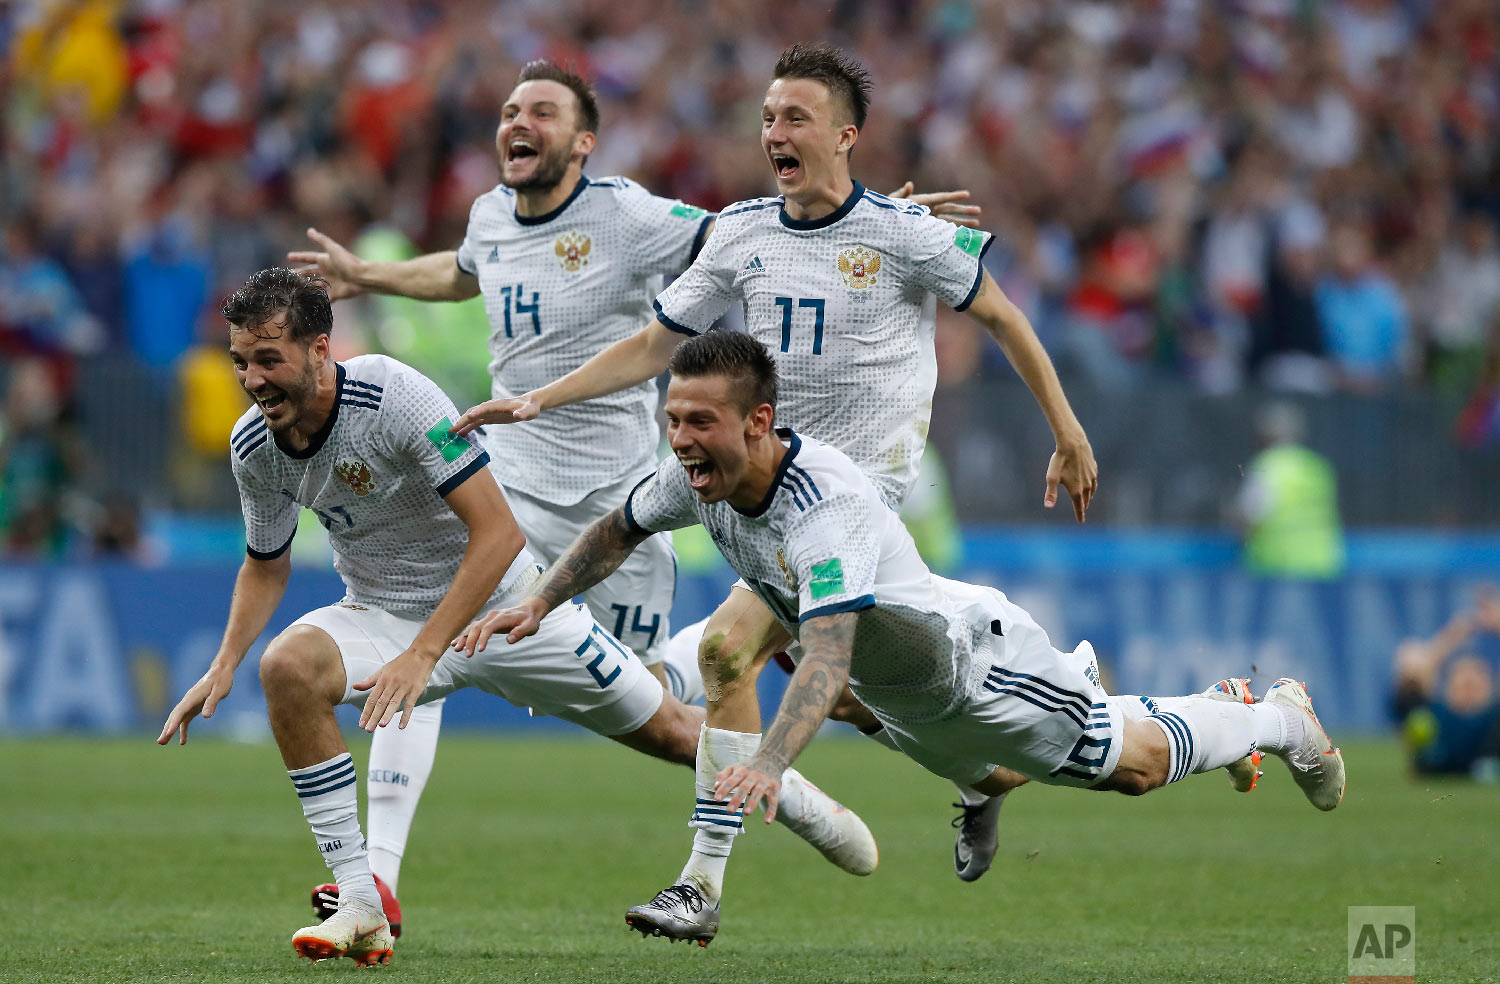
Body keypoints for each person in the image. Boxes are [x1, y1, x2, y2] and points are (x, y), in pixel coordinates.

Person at [286, 60, 977, 910]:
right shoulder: (490, 215)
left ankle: (821, 755)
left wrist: (876, 221)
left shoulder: (630, 214)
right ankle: (376, 884)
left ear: (582, 141)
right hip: (512, 485)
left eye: (541, 110)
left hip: (612, 498)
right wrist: (373, 276)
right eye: (508, 109)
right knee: (430, 643)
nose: (516, 122)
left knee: (654, 696)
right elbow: (467, 272)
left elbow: (757, 234)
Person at [458, 329, 1347, 945]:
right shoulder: (697, 475)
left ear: (759, 423)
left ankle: (1274, 717)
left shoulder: (827, 510)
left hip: (978, 664)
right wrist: (538, 602)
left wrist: (768, 763)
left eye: (700, 423)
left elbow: (830, 652)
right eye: (674, 421)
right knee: (892, 717)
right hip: (901, 692)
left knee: (1138, 770)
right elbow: (621, 525)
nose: (682, 441)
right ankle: (982, 789)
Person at [451, 43, 1096, 888]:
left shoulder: (905, 236)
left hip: (853, 494)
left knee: (727, 651)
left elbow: (1007, 319)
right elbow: (655, 344)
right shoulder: (744, 231)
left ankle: (701, 881)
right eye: (766, 118)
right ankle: (983, 778)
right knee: (864, 691)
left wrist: (1068, 431)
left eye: (794, 117)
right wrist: (542, 399)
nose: (774, 132)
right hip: (768, 481)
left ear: (845, 133)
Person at [156, 269, 875, 965]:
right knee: (288, 667)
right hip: (383, 615)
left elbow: (497, 534)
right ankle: (361, 902)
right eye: (241, 361)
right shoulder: (254, 445)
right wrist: (225, 665)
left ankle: (797, 798)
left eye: (268, 360)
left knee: (670, 728)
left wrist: (426, 653)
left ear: (320, 349)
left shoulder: (394, 396)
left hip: (506, 610)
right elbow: (265, 561)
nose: (252, 381)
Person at [1393, 587, 1500, 778]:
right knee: (1409, 653)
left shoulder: (1493, 719)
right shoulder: (1433, 714)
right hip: (1433, 769)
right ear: (1449, 688)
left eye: (1476, 683)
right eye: (1463, 683)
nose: (1469, 686)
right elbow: (1415, 668)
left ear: (1490, 688)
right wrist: (1456, 632)